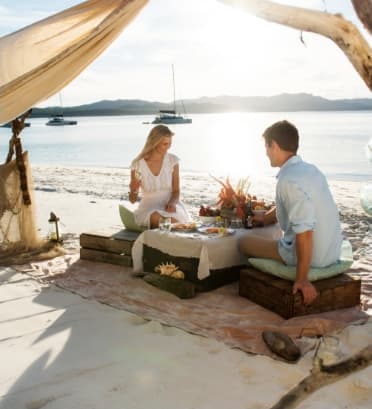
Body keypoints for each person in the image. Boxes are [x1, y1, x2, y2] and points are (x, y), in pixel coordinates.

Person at [239, 120, 343, 306]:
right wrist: (264, 218)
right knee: (276, 234)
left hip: (313, 258)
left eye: (267, 147)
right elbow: (292, 205)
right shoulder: (312, 171)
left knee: (243, 242)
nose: (265, 153)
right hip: (332, 252)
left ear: (274, 146)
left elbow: (305, 230)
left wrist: (302, 279)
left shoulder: (287, 181)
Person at [128, 124, 190, 229]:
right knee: (158, 218)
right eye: (165, 144)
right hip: (149, 209)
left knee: (172, 221)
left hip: (170, 207)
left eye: (170, 144)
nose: (168, 147)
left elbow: (176, 191)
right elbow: (132, 200)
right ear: (154, 143)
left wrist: (172, 203)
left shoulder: (172, 161)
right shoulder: (138, 165)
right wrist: (133, 190)